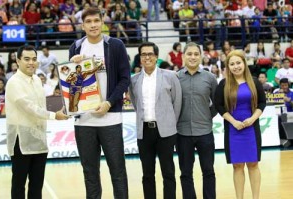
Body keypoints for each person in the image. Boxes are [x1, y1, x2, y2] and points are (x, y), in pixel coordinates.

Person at [68, 7, 130, 198]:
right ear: (83, 25)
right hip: (84, 120)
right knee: (90, 173)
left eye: (96, 20)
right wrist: (71, 66)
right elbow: (70, 85)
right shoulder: (76, 47)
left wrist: (109, 103)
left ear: (102, 22)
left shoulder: (116, 45)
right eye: (89, 21)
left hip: (110, 118)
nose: (93, 25)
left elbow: (125, 79)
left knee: (118, 171)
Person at [5, 45, 69, 199]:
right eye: (26, 59)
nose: (31, 62)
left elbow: (40, 107)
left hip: (39, 139)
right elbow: (30, 108)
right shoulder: (14, 82)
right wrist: (55, 116)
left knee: (37, 185)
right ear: (18, 60)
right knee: (19, 184)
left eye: (34, 59)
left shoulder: (37, 80)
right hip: (21, 141)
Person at [129, 42, 182, 199]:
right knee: (147, 174)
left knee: (168, 173)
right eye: (143, 54)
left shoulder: (170, 76)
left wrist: (171, 123)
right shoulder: (134, 80)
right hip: (144, 132)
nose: (147, 57)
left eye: (150, 54)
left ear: (156, 57)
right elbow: (134, 102)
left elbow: (177, 103)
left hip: (165, 131)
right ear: (140, 58)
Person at [214, 50, 266, 199]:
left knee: (253, 164)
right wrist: (233, 122)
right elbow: (219, 106)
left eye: (238, 62)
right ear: (228, 67)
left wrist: (252, 119)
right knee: (237, 166)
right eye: (232, 64)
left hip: (251, 129)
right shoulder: (223, 84)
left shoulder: (254, 82)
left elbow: (262, 102)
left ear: (244, 63)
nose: (236, 66)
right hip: (233, 129)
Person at [177, 42, 217, 199]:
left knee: (208, 171)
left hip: (205, 132)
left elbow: (217, 103)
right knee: (186, 173)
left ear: (201, 57)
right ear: (183, 56)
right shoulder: (176, 78)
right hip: (182, 133)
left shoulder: (210, 78)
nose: (192, 57)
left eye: (196, 54)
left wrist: (207, 116)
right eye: (189, 54)